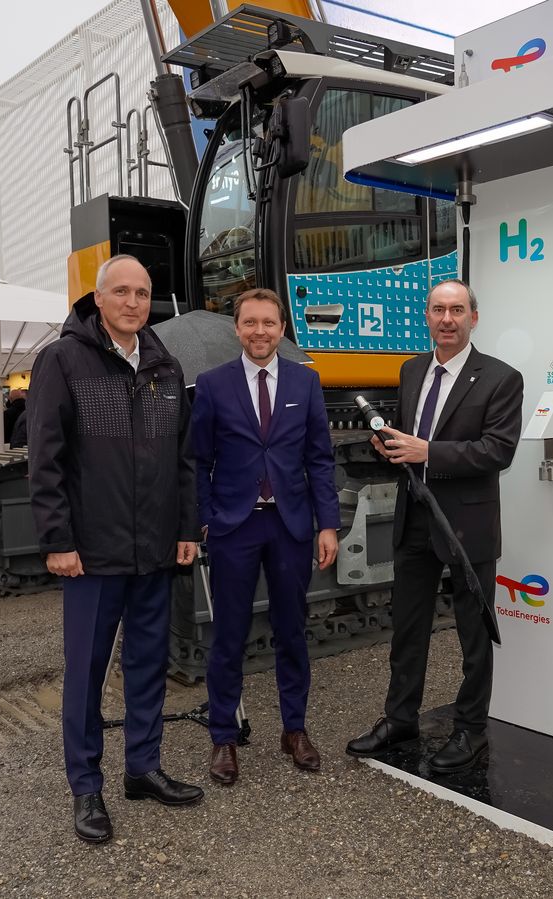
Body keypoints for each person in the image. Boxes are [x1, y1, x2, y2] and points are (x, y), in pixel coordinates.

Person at [27, 254, 203, 845]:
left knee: (148, 663)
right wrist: (58, 541)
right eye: (121, 291)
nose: (133, 302)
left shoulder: (164, 366)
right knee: (87, 673)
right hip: (93, 555)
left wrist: (186, 529)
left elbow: (182, 461)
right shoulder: (62, 360)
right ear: (97, 299)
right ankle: (86, 787)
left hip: (154, 550)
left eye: (143, 293)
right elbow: (45, 460)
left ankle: (142, 768)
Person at [346, 279, 523, 774]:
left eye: (458, 310)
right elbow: (407, 437)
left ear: (474, 317)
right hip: (414, 518)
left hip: (467, 526)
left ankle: (472, 731)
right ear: (426, 316)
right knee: (408, 629)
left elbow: (498, 451)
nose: (448, 319)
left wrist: (429, 452)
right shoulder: (411, 370)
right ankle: (400, 719)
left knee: (473, 634)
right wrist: (391, 448)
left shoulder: (501, 378)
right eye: (438, 310)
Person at [192, 288, 340, 784]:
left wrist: (328, 524)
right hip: (235, 527)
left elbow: (319, 458)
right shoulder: (212, 385)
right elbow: (198, 461)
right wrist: (206, 516)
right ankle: (223, 737)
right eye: (250, 323)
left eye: (269, 323)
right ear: (237, 328)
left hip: (290, 526)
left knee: (292, 631)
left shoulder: (306, 381)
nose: (260, 331)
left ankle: (294, 729)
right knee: (229, 636)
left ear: (282, 329)